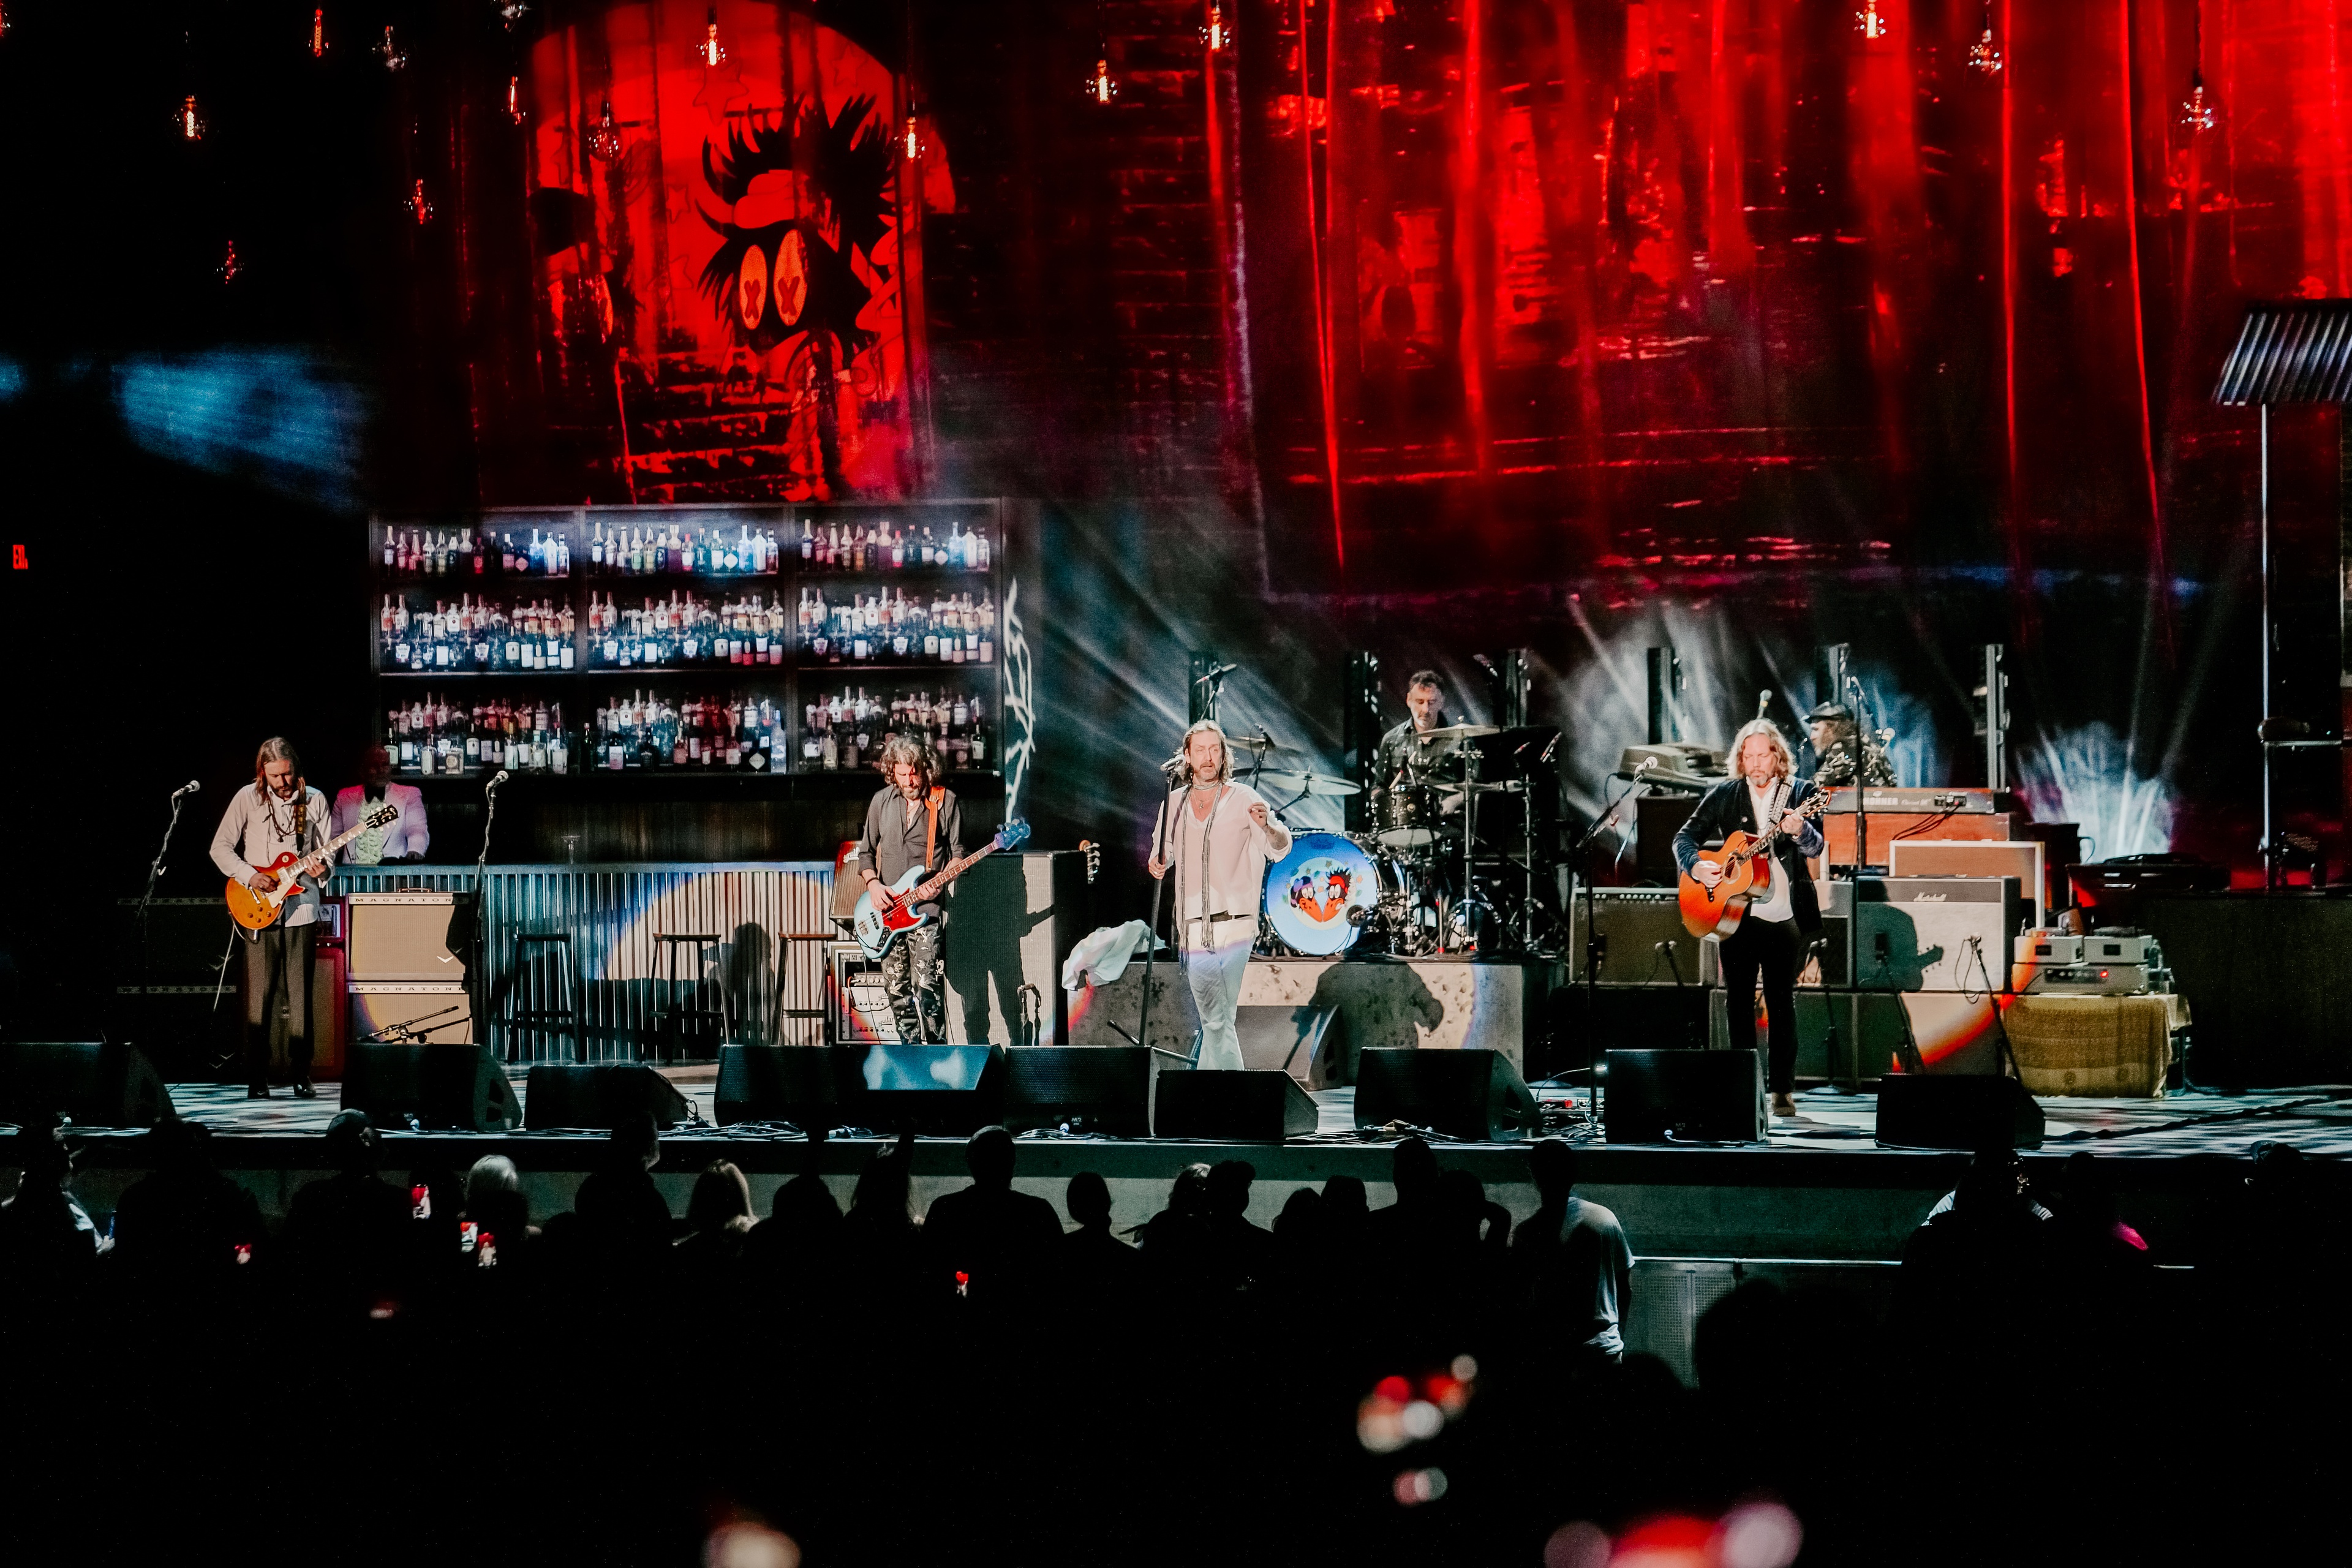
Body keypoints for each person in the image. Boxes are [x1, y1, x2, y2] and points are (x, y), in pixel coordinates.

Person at [1673, 718, 1827, 1119]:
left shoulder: (1801, 792)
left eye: (1764, 755)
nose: (1757, 763)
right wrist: (1696, 867)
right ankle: (1745, 1086)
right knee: (1738, 1004)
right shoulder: (1725, 794)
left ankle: (1782, 1091)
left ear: (1777, 755)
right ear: (1740, 758)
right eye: (1749, 756)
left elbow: (1816, 847)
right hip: (1734, 912)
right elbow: (1683, 839)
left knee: (1781, 1003)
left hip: (1785, 915)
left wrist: (1799, 830)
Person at [1147, 720, 1293, 1070]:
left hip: (1237, 924)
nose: (1208, 757)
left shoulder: (1245, 798)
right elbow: (1161, 851)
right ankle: (1223, 1100)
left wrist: (1267, 827)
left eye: (1215, 749)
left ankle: (1222, 1099)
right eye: (1201, 750)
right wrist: (1157, 862)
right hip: (1194, 926)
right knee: (1217, 1018)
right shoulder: (1175, 802)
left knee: (1216, 1019)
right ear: (1188, 756)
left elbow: (1281, 848)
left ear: (1223, 754)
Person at [209, 737, 335, 1099]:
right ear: (262, 773)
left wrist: (321, 868)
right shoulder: (245, 798)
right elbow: (219, 848)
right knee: (260, 998)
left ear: (297, 770)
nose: (283, 783)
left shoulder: (315, 800)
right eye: (275, 776)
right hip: (257, 907)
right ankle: (256, 1077)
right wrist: (249, 875)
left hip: (301, 907)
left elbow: (328, 860)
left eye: (288, 774)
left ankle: (301, 1073)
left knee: (300, 995)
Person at [853, 733, 963, 1044]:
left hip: (924, 913)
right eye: (902, 774)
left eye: (914, 772)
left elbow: (957, 855)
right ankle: (910, 1057)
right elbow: (865, 853)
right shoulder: (881, 801)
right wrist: (873, 885)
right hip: (886, 911)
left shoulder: (946, 801)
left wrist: (943, 879)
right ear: (893, 772)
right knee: (896, 991)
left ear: (925, 768)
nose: (909, 780)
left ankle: (938, 1056)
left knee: (927, 989)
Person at [1514, 1138, 1634, 1362]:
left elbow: (1521, 1300)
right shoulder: (1605, 1218)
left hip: (1555, 1354)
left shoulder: (1527, 1233)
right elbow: (1624, 1288)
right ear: (1573, 1174)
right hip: (1605, 1350)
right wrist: (1616, 1338)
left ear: (1534, 1175)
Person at [922, 1125, 1064, 1305]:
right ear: (1012, 1161)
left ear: (971, 1162)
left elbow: (931, 1274)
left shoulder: (945, 1209)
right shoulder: (1039, 1211)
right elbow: (1056, 1279)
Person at [333, 744, 429, 864]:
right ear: (362, 771)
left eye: (385, 765)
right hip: (353, 876)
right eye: (374, 766)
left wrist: (415, 851)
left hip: (392, 875)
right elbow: (334, 838)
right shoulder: (344, 797)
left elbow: (417, 829)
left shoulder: (410, 794)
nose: (380, 770)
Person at [1374, 668, 1469, 785]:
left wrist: (1450, 802)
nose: (1425, 710)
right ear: (1409, 700)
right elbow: (1379, 786)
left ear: (1441, 702)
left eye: (1431, 702)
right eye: (1420, 702)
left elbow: (1472, 787)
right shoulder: (1391, 740)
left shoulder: (1461, 740)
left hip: (1445, 802)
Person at [1804, 701, 1897, 789]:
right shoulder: (1867, 745)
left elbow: (1817, 785)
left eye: (1816, 729)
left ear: (1831, 729)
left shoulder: (1844, 746)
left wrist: (1793, 785)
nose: (1812, 737)